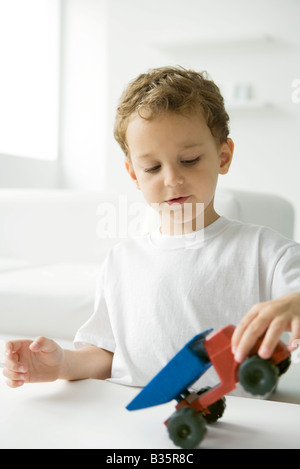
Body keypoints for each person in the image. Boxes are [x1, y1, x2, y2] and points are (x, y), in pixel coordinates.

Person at [3, 66, 300, 390]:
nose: (172, 179)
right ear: (134, 174)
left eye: (189, 160)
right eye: (153, 167)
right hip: (133, 421)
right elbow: (105, 353)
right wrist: (61, 363)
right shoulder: (122, 260)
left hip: (235, 427)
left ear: (223, 156)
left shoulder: (266, 252)